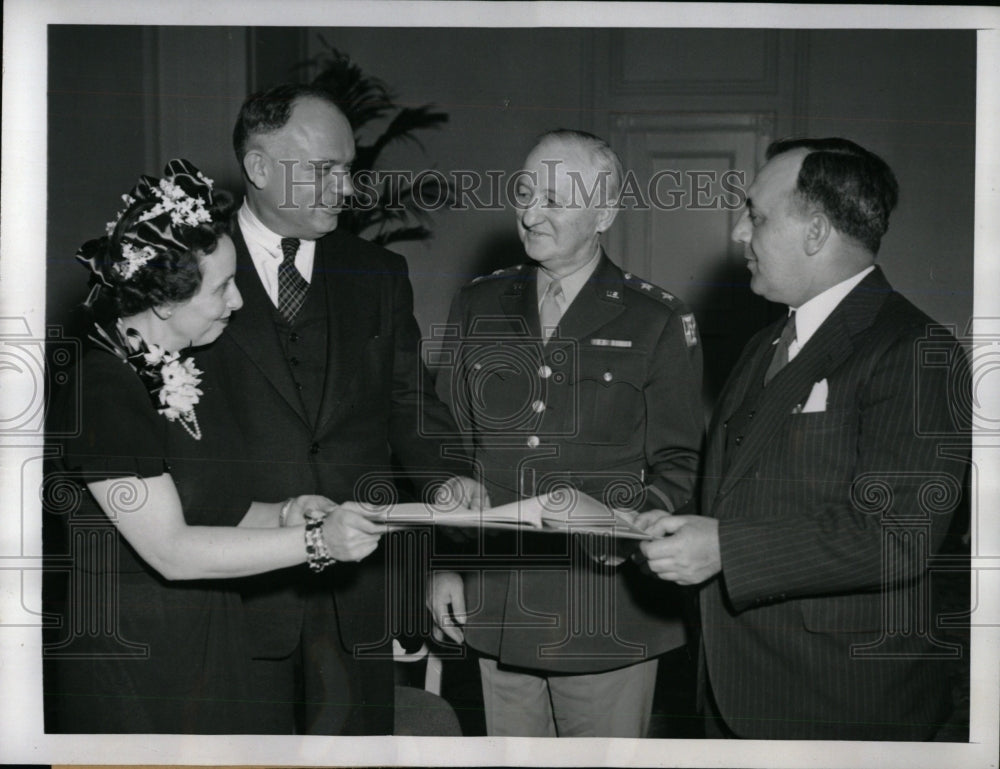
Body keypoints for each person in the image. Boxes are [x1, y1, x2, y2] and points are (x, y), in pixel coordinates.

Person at [637, 137, 970, 740]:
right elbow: (734, 493)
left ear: (815, 232)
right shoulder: (764, 342)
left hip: (838, 703)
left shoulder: (916, 350)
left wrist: (725, 551)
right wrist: (638, 520)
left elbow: (899, 534)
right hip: (732, 686)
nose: (740, 235)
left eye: (757, 217)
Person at [43, 159, 385, 734]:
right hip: (138, 665)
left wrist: (283, 512)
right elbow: (172, 550)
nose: (238, 303)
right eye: (223, 287)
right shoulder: (101, 390)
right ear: (166, 302)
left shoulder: (179, 370)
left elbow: (211, 510)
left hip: (209, 641)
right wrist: (315, 543)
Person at [195, 83, 482, 735]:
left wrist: (447, 478)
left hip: (356, 594)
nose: (344, 188)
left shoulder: (378, 272)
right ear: (260, 167)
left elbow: (412, 404)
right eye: (324, 169)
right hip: (233, 589)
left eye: (347, 168)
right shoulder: (190, 270)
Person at [427, 130, 704, 737]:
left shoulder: (655, 318)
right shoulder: (478, 304)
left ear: (604, 212)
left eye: (554, 198)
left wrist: (624, 532)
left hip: (604, 606)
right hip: (497, 600)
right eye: (525, 193)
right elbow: (454, 449)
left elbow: (680, 462)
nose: (529, 213)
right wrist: (443, 563)